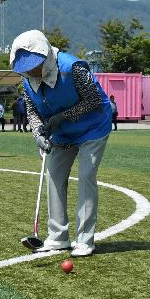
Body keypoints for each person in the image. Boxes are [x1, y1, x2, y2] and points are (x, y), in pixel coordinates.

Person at [10, 29, 112, 258]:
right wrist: (38, 133)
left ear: (46, 56)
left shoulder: (73, 67)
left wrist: (62, 117)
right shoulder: (27, 80)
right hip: (60, 133)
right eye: (25, 67)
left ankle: (85, 240)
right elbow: (33, 111)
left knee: (86, 177)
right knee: (54, 176)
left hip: (92, 128)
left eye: (34, 65)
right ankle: (58, 237)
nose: (31, 71)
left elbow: (94, 100)